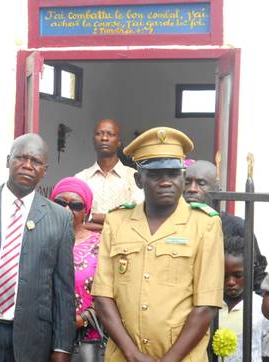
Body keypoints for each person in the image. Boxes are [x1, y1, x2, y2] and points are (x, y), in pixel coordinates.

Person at [94, 126, 224, 361]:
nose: (166, 182)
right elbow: (103, 298)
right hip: (124, 357)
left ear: (182, 177)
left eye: (173, 174)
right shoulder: (116, 221)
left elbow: (206, 305)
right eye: (156, 175)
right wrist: (133, 355)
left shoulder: (204, 224)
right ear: (139, 179)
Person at [0, 133, 75, 362]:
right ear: (7, 161)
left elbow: (63, 289)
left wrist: (62, 347)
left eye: (36, 161)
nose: (27, 165)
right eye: (21, 158)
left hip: (33, 339)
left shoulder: (59, 218)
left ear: (45, 170)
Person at [184, 159, 268, 293]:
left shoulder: (237, 226)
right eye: (187, 182)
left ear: (217, 189)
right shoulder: (174, 224)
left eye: (201, 183)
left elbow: (256, 273)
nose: (192, 189)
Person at [49, 177, 103, 361]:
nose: (66, 210)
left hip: (87, 341)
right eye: (60, 203)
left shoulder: (102, 244)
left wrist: (82, 319)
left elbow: (114, 291)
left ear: (87, 210)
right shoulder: (40, 239)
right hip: (44, 336)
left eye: (76, 206)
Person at [75, 118, 143, 230]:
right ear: (93, 140)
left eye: (110, 134)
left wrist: (95, 219)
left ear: (119, 141)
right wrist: (117, 221)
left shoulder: (134, 177)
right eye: (99, 134)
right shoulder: (81, 179)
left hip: (124, 244)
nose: (104, 138)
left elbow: (138, 216)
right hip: (87, 246)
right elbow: (76, 221)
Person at [219, 234, 265, 361]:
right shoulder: (212, 306)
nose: (230, 282)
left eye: (238, 275)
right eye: (224, 276)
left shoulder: (260, 307)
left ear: (250, 271)